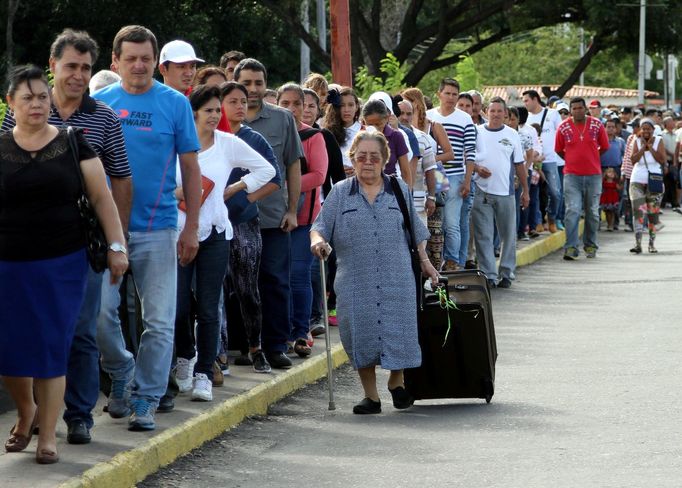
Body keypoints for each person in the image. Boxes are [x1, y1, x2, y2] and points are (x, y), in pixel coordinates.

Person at [1, 29, 133, 446]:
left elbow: (115, 186)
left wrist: (117, 244)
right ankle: (33, 415)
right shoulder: (13, 122)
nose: (78, 74)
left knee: (76, 333)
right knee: (20, 340)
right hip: (14, 256)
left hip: (72, 251)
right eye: (70, 66)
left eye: (85, 67)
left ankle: (76, 418)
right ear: (53, 65)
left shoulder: (102, 120)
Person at [94, 25, 202, 430]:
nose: (138, 65)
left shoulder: (173, 104)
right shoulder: (99, 104)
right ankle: (122, 370)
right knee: (101, 316)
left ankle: (146, 398)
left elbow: (190, 167)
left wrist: (190, 226)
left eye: (145, 58)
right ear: (115, 62)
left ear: (155, 62)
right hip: (108, 231)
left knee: (159, 320)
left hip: (158, 228)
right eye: (130, 58)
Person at [310, 131, 439, 414]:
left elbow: (417, 234)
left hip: (397, 278)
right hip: (356, 280)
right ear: (353, 158)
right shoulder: (341, 192)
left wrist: (426, 263)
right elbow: (319, 227)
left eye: (374, 157)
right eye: (362, 156)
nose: (367, 162)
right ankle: (371, 396)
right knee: (361, 334)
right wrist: (318, 241)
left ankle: (396, 381)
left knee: (400, 331)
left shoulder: (399, 190)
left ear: (384, 161)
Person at [173, 85, 275, 401]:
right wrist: (175, 193)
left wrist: (238, 187)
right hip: (176, 233)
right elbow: (154, 180)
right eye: (209, 111)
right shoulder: (174, 143)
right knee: (177, 306)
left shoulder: (228, 143)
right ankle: (185, 359)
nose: (216, 116)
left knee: (207, 306)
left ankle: (205, 370)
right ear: (192, 114)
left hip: (215, 232)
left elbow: (267, 170)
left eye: (219, 110)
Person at [234, 58, 304, 369]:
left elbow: (292, 165)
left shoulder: (282, 119)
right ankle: (242, 347)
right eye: (246, 83)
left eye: (258, 83)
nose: (252, 89)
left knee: (275, 281)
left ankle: (276, 345)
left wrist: (292, 210)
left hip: (274, 218)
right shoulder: (222, 117)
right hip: (233, 218)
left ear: (266, 85)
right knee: (238, 285)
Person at [219, 81, 281, 373]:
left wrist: (247, 198)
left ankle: (255, 347)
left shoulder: (253, 138)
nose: (240, 106)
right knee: (216, 290)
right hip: (212, 223)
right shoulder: (209, 137)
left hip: (244, 222)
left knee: (247, 288)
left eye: (243, 101)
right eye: (233, 101)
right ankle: (218, 353)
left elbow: (274, 178)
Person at [276, 83, 328, 357]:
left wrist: (284, 183)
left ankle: (300, 332)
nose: (292, 109)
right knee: (276, 278)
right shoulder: (270, 133)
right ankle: (279, 334)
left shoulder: (313, 137)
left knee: (298, 275)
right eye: (286, 103)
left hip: (304, 219)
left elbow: (319, 175)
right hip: (270, 217)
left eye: (298, 103)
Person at [471, 97, 529, 289]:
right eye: (492, 110)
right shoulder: (476, 132)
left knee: (508, 235)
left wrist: (525, 190)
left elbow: (519, 164)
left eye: (499, 111)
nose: (496, 114)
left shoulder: (512, 134)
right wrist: (478, 169)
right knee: (483, 236)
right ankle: (488, 275)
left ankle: (507, 272)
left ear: (505, 113)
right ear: (486, 111)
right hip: (481, 191)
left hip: (505, 192)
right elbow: (467, 158)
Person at [401, 87, 454, 270]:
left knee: (434, 231)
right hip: (413, 185)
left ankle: (434, 272)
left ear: (416, 103)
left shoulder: (433, 126)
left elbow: (449, 153)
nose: (405, 114)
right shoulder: (398, 129)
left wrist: (428, 160)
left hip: (432, 179)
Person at [426, 78, 475, 272]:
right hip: (433, 174)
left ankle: (453, 261)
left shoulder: (465, 119)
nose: (451, 98)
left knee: (452, 222)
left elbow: (470, 152)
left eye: (455, 94)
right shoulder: (429, 116)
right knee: (434, 221)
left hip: (455, 175)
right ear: (439, 94)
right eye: (447, 93)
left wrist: (468, 181)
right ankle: (435, 261)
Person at [555, 97, 609, 260]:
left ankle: (590, 245)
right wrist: (572, 160)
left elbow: (604, 146)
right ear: (570, 110)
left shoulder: (596, 125)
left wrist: (592, 158)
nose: (577, 111)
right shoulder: (563, 127)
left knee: (592, 212)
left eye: (580, 108)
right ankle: (571, 247)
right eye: (574, 108)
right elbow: (558, 149)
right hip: (572, 176)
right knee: (573, 210)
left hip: (593, 175)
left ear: (585, 109)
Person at [523, 89, 562, 233]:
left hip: (550, 160)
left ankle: (551, 217)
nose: (525, 103)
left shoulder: (552, 114)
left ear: (535, 99)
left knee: (555, 193)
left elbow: (561, 133)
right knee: (534, 194)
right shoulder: (526, 118)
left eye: (526, 100)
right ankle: (538, 222)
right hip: (532, 162)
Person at [628, 118, 666, 253]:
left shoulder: (659, 141)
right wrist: (643, 147)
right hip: (637, 180)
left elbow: (662, 159)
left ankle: (651, 244)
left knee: (652, 213)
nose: (645, 131)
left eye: (648, 129)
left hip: (654, 180)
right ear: (640, 129)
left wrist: (650, 147)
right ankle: (638, 243)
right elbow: (633, 160)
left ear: (653, 129)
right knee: (638, 211)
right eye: (643, 129)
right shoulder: (636, 141)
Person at [398, 98, 438, 224]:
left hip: (418, 202)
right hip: (395, 203)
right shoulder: (386, 137)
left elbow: (430, 169)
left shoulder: (422, 138)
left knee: (420, 242)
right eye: (401, 113)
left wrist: (431, 197)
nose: (405, 117)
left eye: (409, 113)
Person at [361, 99, 411, 187]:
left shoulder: (396, 136)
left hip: (390, 189)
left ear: (386, 118)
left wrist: (407, 198)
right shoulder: (359, 138)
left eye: (378, 124)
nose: (375, 129)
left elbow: (406, 172)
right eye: (370, 125)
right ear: (364, 121)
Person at [322, 86, 361, 172]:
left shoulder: (368, 131)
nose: (346, 110)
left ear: (357, 107)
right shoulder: (327, 133)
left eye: (351, 105)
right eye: (342, 105)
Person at [600, 167, 621, 231]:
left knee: (612, 212)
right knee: (607, 212)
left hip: (613, 198)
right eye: (609, 172)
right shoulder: (603, 182)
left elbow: (619, 188)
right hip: (606, 198)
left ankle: (611, 224)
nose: (611, 174)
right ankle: (609, 224)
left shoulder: (615, 182)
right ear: (606, 174)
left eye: (612, 172)